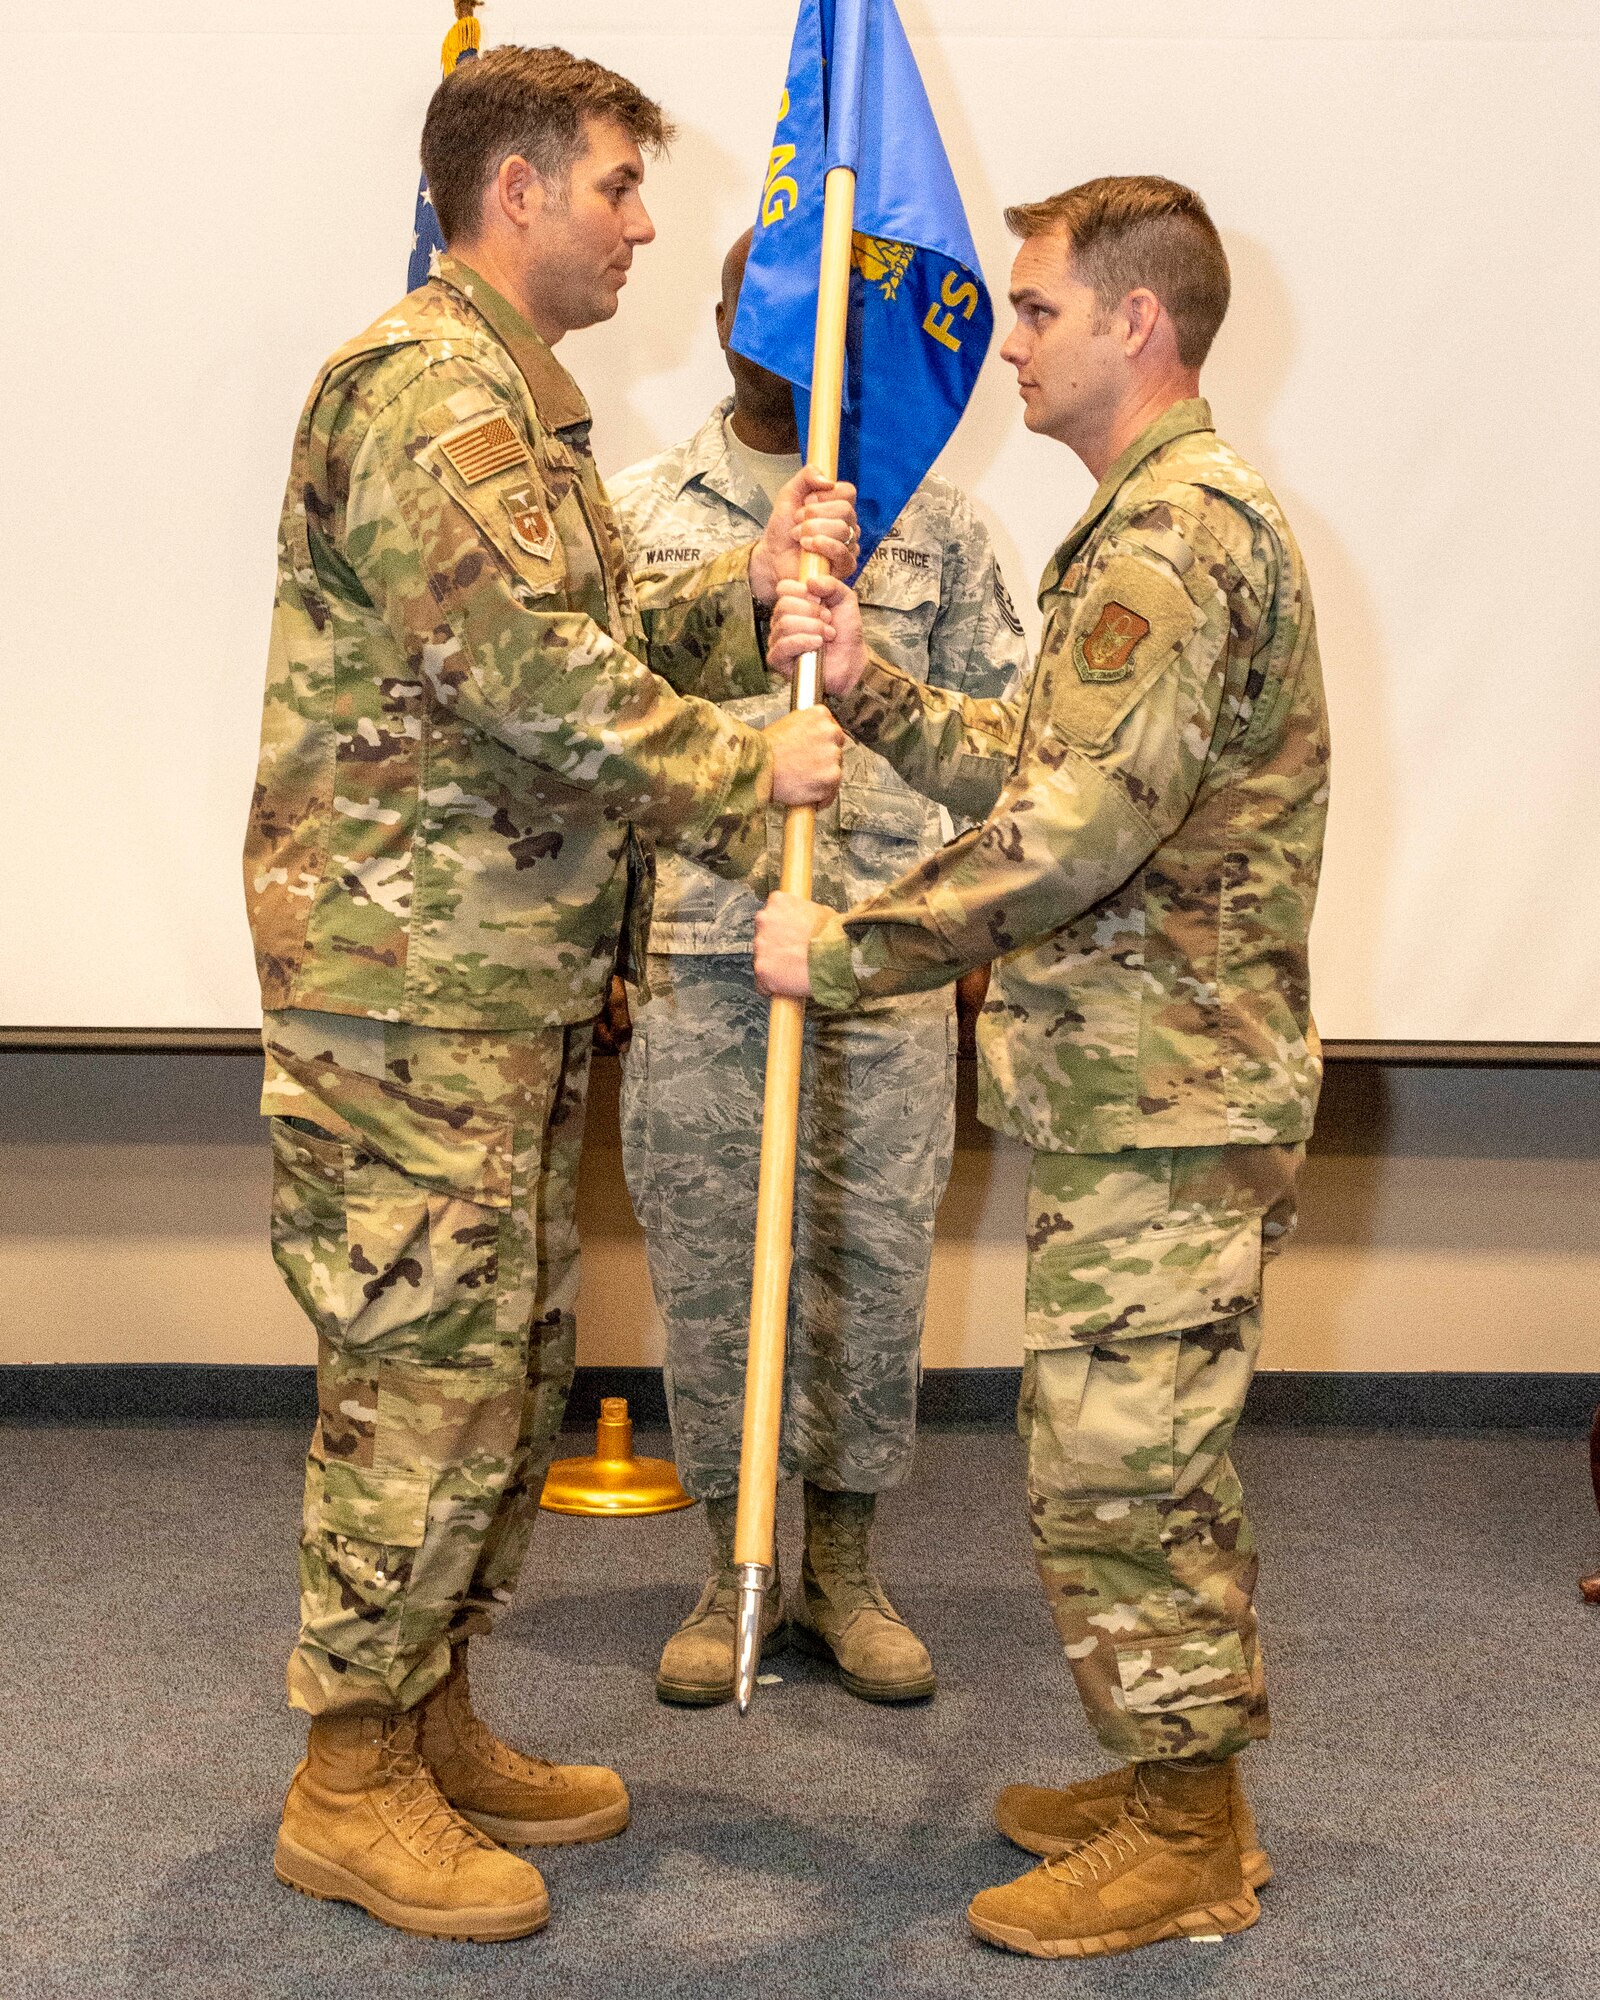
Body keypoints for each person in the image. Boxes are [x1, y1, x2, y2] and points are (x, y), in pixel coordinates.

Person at [243, 45, 857, 1942]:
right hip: (405, 981)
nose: (645, 225)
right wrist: (752, 757)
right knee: (420, 1374)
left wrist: (737, 581)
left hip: (486, 977)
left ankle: (424, 1716)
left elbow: (581, 624)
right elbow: (530, 680)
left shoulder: (520, 407)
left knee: (500, 1364)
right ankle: (345, 1778)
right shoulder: (428, 394)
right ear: (515, 191)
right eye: (613, 187)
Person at [754, 175, 1329, 1960]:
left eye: (1036, 309)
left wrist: (843, 948)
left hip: (1172, 1100)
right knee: (1110, 1451)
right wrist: (869, 686)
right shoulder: (1146, 522)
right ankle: (1167, 1783)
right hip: (1136, 1093)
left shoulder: (1174, 538)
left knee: (1127, 1464)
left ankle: (1188, 1833)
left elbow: (1069, 836)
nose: (1008, 340)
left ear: (1135, 325)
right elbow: (1040, 763)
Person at [605, 229, 1029, 1707]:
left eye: (819, 312)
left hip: (884, 974)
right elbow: (590, 755)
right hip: (708, 963)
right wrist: (608, 949)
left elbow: (1010, 756)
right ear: (722, 320)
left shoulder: (941, 531)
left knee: (869, 1273)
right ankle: (735, 1571)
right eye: (760, 305)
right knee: (715, 1281)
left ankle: (842, 1567)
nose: (786, 333)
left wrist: (975, 942)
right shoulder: (642, 517)